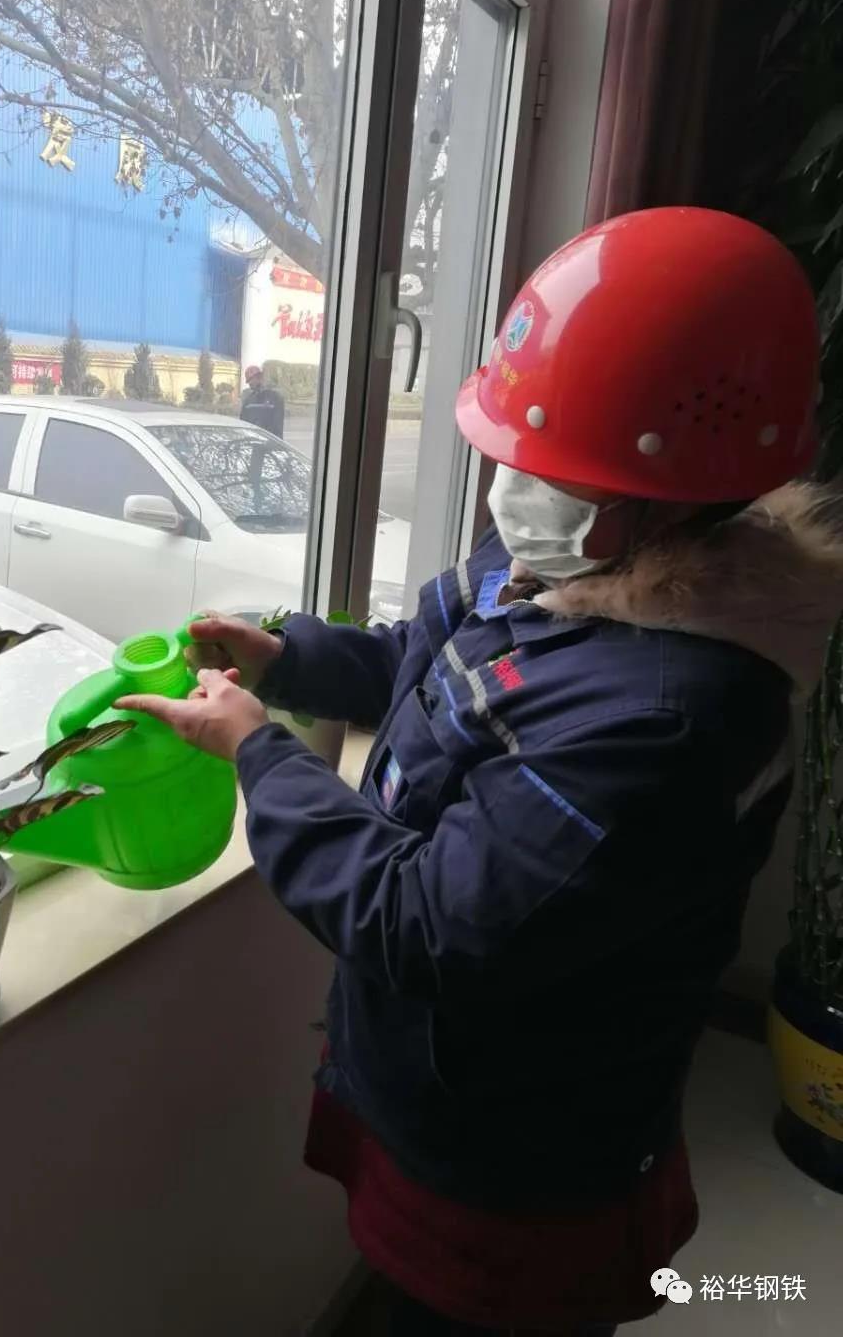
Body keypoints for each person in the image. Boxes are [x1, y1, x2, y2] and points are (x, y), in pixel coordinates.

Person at [116, 209, 840, 1335]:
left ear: (682, 491)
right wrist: (292, 661)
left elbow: (423, 919)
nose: (510, 485)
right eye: (514, 452)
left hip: (522, 1152)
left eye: (552, 468)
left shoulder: (667, 722)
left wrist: (258, 751)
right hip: (449, 1082)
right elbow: (430, 661)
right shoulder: (570, 552)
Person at [240, 362, 285, 437]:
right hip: (252, 438)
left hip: (269, 439)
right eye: (248, 381)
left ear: (259, 377)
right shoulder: (248, 400)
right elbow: (243, 423)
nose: (249, 383)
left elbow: (278, 425)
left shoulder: (275, 398)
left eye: (251, 379)